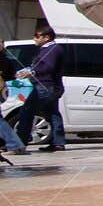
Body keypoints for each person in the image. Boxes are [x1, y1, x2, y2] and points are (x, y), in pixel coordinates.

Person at [13, 23, 65, 151]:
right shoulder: (48, 49)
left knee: (27, 111)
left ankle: (20, 143)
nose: (34, 38)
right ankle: (58, 143)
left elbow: (48, 66)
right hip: (50, 86)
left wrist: (33, 72)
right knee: (52, 113)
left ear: (46, 37)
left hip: (45, 86)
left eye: (37, 36)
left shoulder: (52, 49)